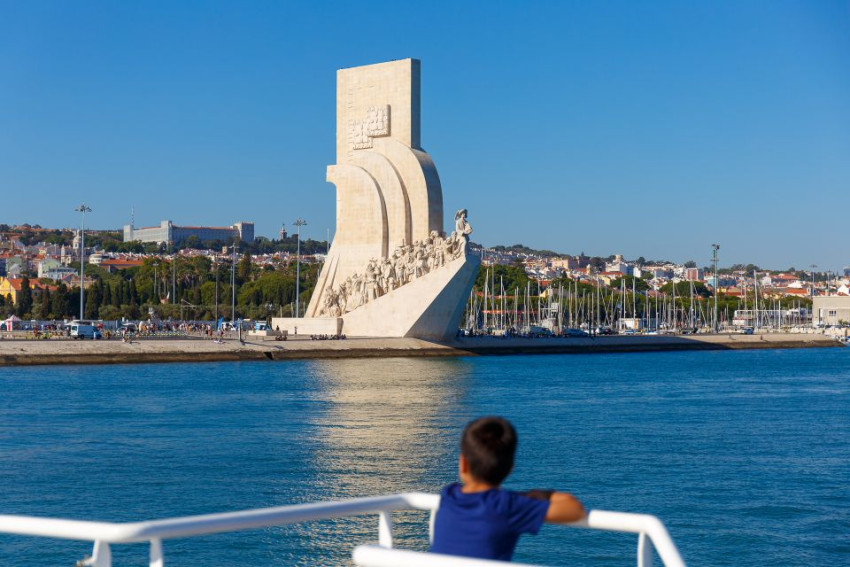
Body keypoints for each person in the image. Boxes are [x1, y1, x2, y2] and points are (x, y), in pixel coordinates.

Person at [430, 416, 585, 561]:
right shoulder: (508, 506)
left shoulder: (448, 494)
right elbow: (574, 509)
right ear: (510, 468)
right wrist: (540, 495)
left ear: (463, 463)